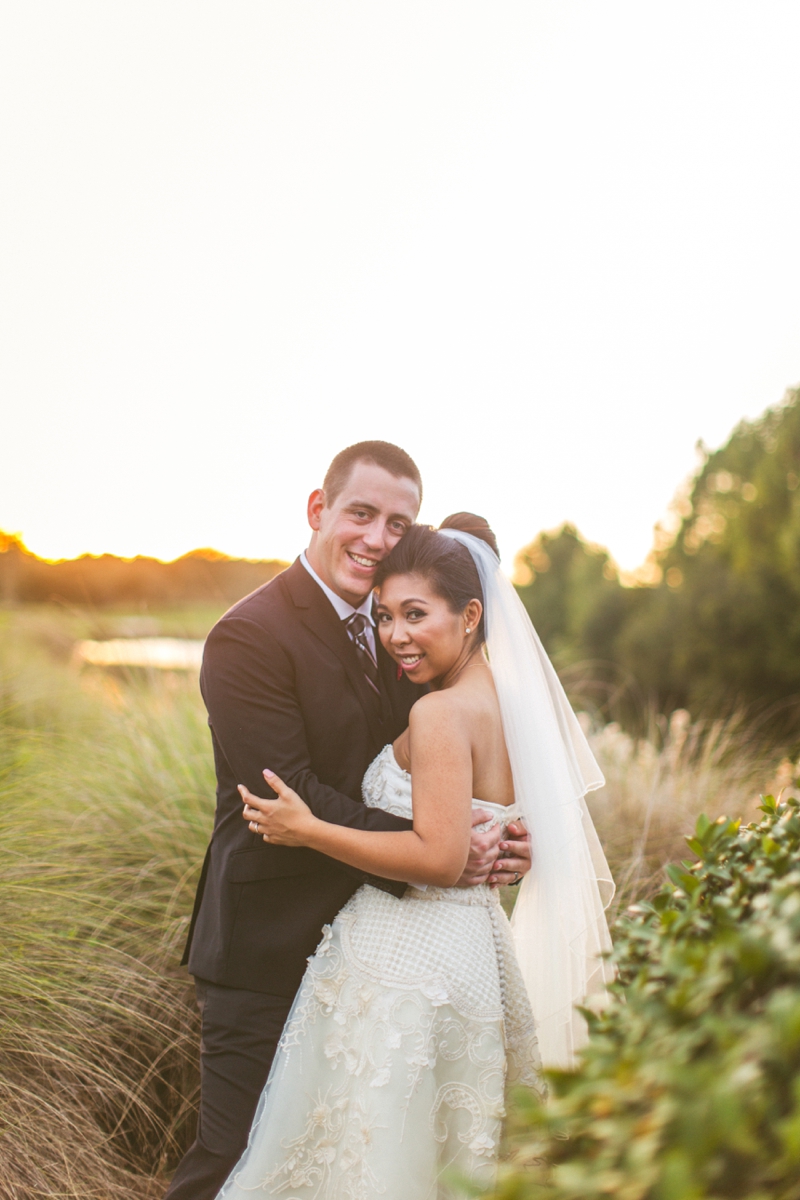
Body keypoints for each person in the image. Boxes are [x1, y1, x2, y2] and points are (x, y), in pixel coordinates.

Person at [166, 444, 532, 1200]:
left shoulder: (405, 634)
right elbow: (286, 792)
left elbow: (437, 766)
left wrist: (496, 833)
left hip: (381, 953)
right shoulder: (249, 636)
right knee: (240, 1163)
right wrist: (438, 849)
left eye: (397, 524)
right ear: (318, 511)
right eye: (360, 513)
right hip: (266, 945)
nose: (375, 537)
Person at [225, 514, 615, 1199]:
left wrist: (308, 827)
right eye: (384, 617)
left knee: (364, 1158)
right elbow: (477, 828)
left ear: (470, 615)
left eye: (414, 614)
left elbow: (437, 858)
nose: (396, 636)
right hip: (473, 956)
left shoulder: (438, 715)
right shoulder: (506, 700)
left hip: (405, 966)